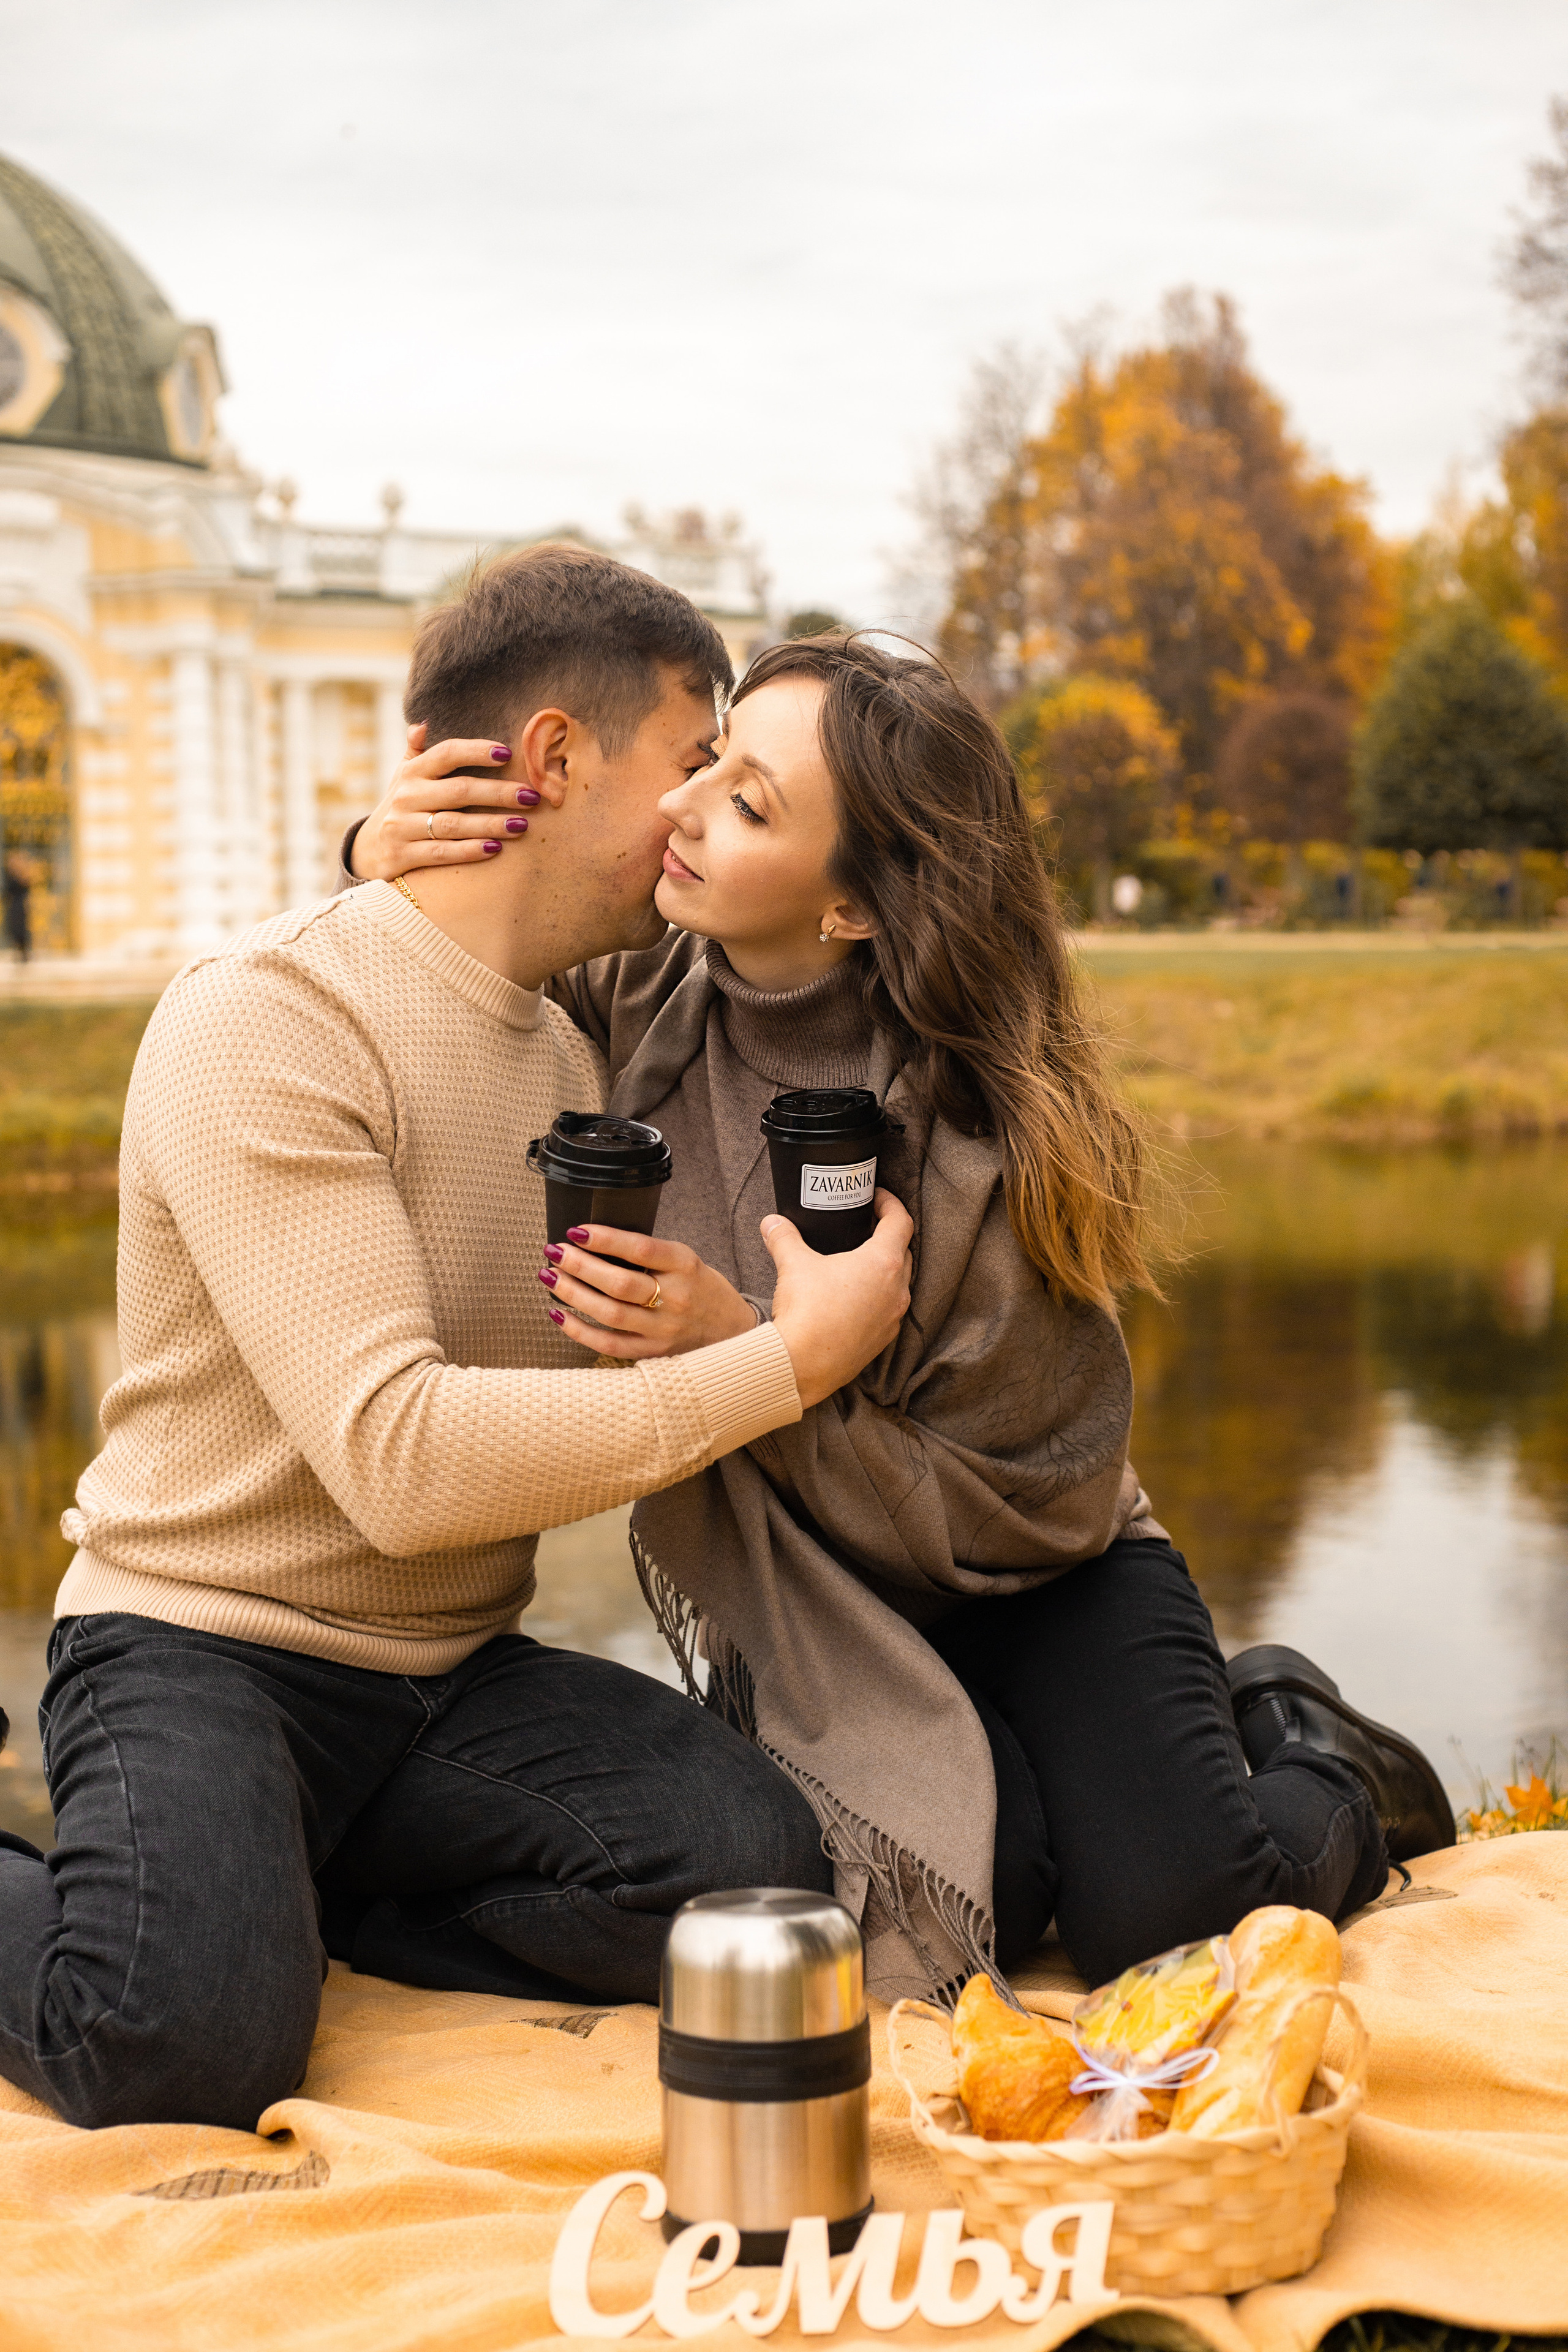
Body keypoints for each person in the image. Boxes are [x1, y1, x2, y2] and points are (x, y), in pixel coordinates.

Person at [355, 631, 1455, 2004]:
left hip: (1039, 1568)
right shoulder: (629, 1006)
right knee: (993, 1893)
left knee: (1172, 1927)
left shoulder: (986, 1124)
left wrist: (740, 1358)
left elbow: (1040, 1500)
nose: (683, 808)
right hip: (816, 1593)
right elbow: (459, 959)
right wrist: (376, 853)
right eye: (707, 762)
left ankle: (1313, 1748)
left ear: (849, 910)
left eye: (749, 803)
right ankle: (1038, 1800)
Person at [0, 551, 913, 2133]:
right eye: (691, 762)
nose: (704, 810)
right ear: (557, 760)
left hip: (448, 1678)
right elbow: (403, 1467)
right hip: (205, 1642)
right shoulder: (268, 1016)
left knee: (750, 1880)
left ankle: (287, 1895)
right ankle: (214, 1923)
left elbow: (847, 926)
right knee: (175, 2050)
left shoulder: (585, 1031)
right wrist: (787, 1362)